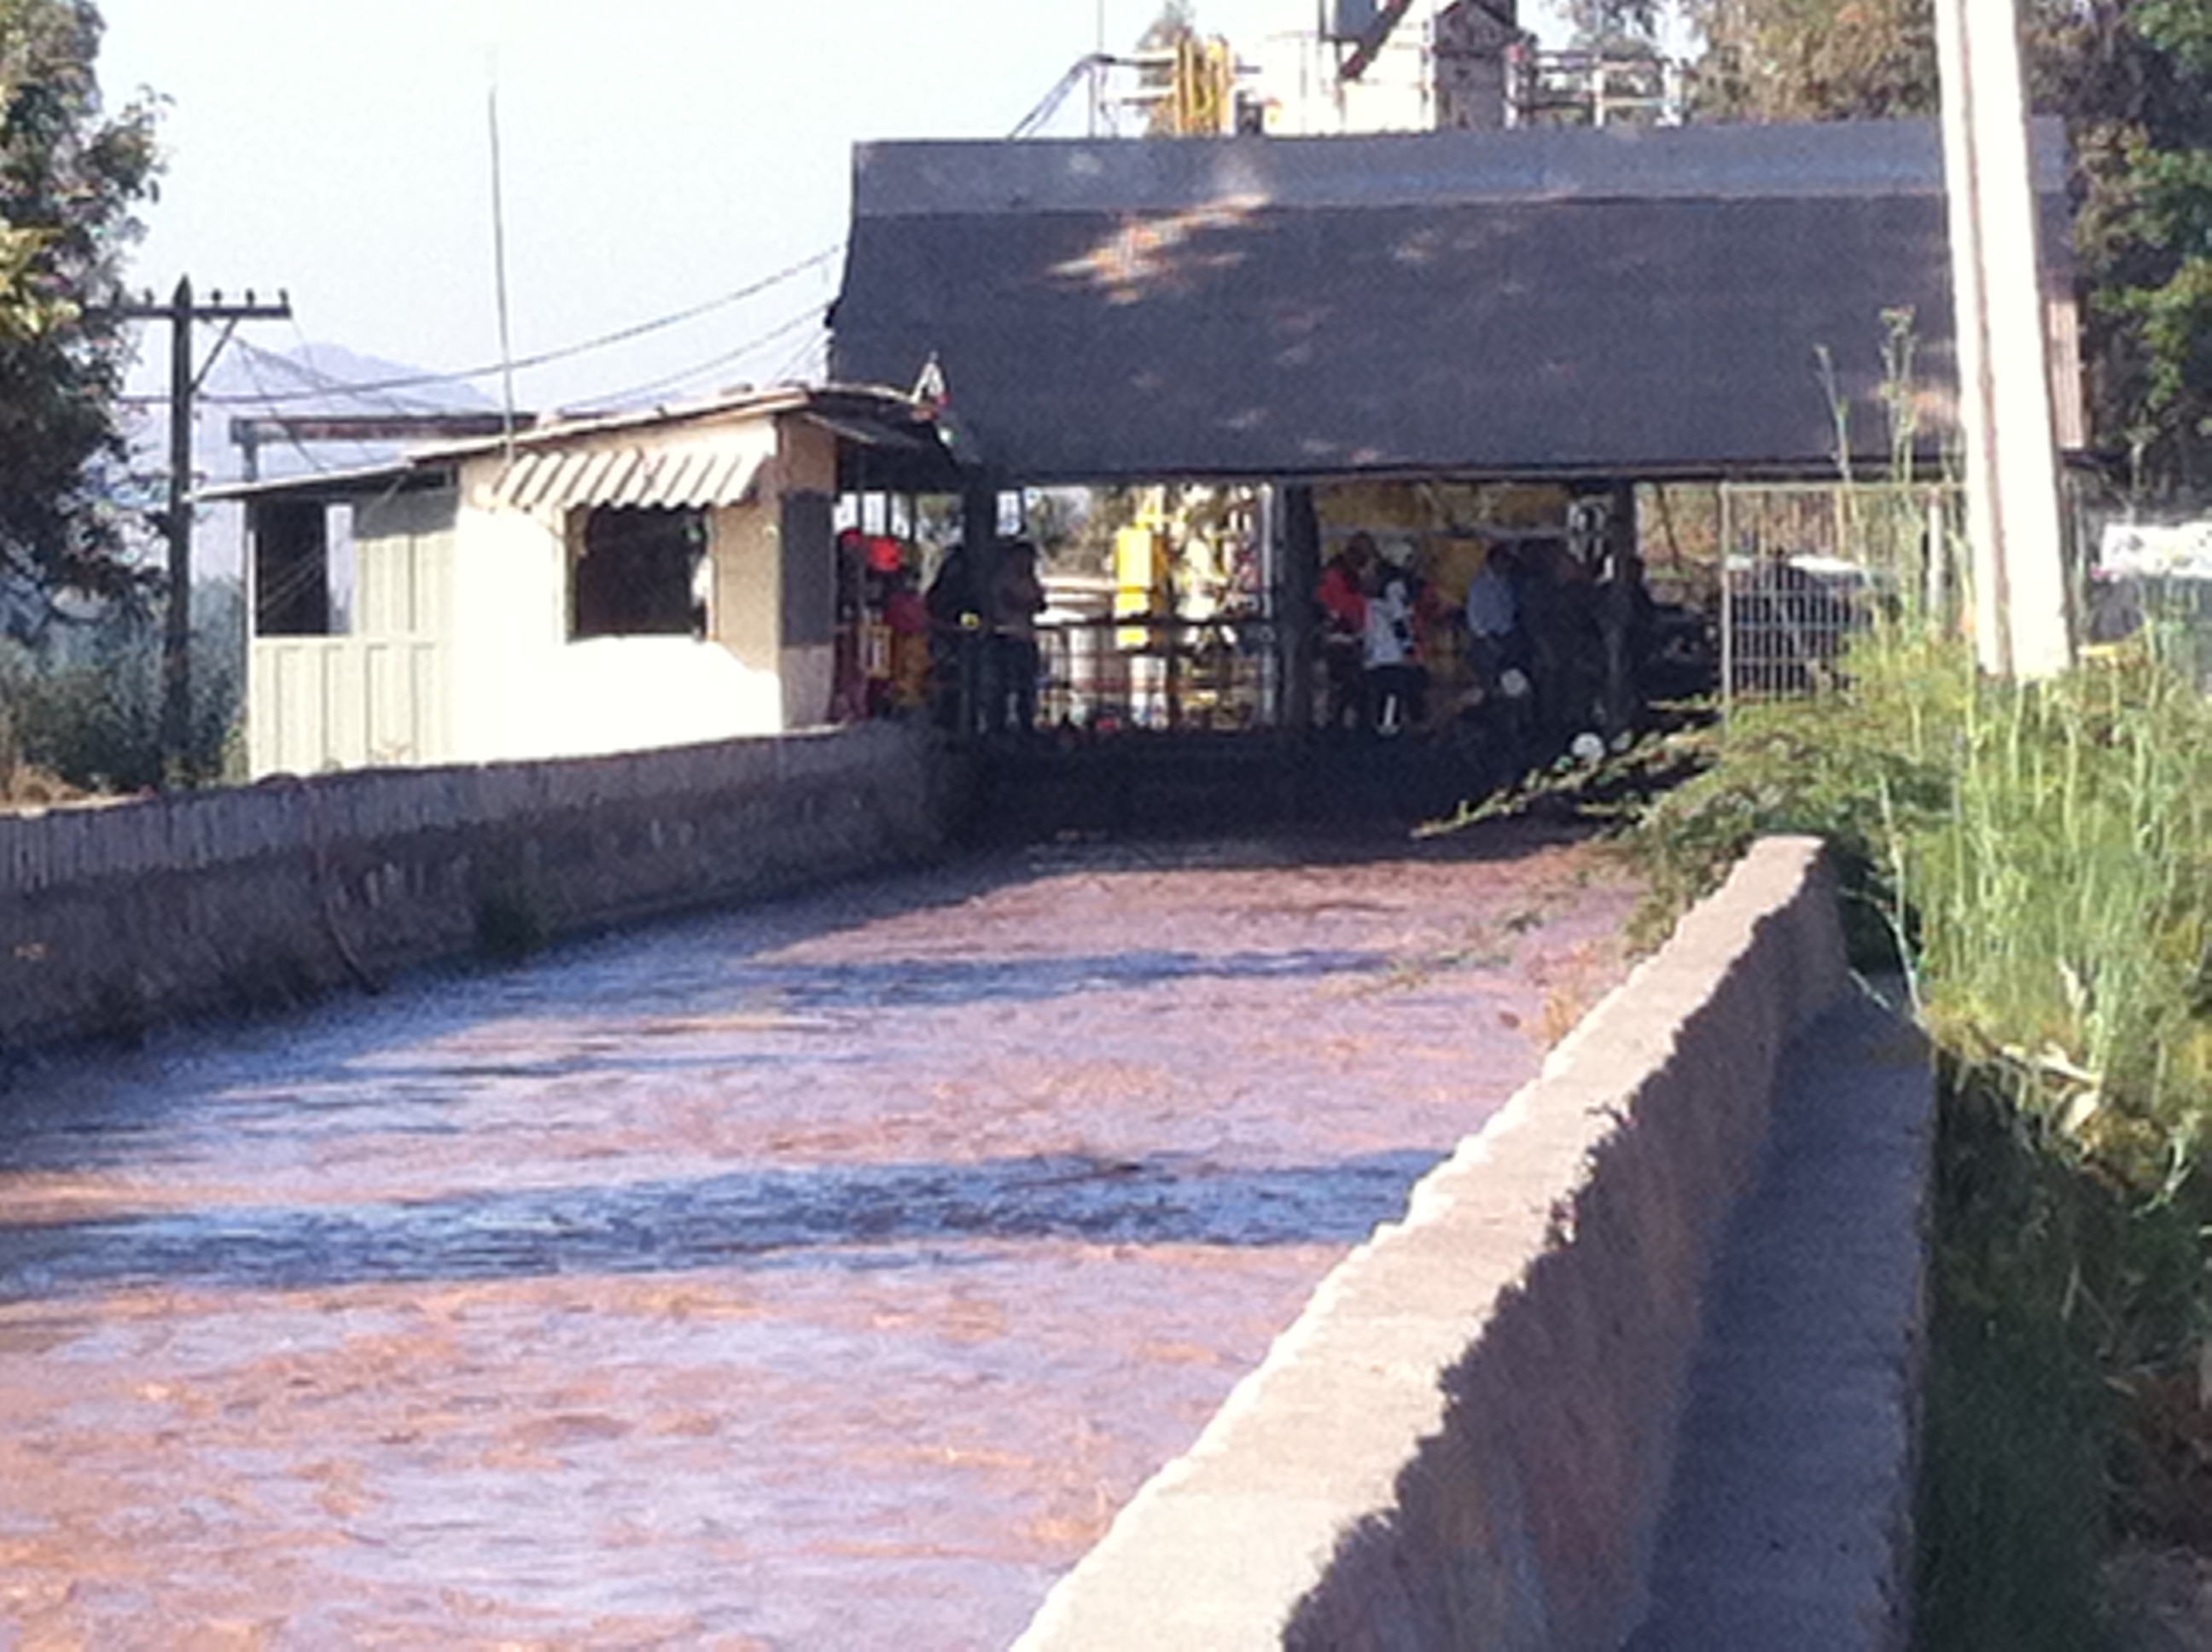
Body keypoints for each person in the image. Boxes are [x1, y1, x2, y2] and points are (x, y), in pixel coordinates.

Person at [1317, 532, 1376, 730]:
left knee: (1349, 684)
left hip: (1348, 636)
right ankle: (1340, 721)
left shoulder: (1346, 576)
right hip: (1341, 638)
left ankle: (1340, 720)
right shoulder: (1338, 576)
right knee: (1348, 682)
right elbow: (1341, 605)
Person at [1363, 557, 1426, 736]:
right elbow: (1399, 621)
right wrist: (1408, 648)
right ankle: (1388, 729)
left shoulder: (1374, 602)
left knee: (1387, 695)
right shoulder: (1394, 590)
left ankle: (1387, 726)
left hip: (1379, 655)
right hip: (1390, 654)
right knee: (1392, 693)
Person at [990, 538, 1046, 734]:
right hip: (1007, 637)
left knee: (1027, 685)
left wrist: (1030, 601)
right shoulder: (1003, 579)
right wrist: (1025, 603)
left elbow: (1040, 604)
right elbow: (1011, 601)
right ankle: (999, 727)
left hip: (1026, 637)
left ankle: (1026, 724)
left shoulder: (1030, 579)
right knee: (1004, 686)